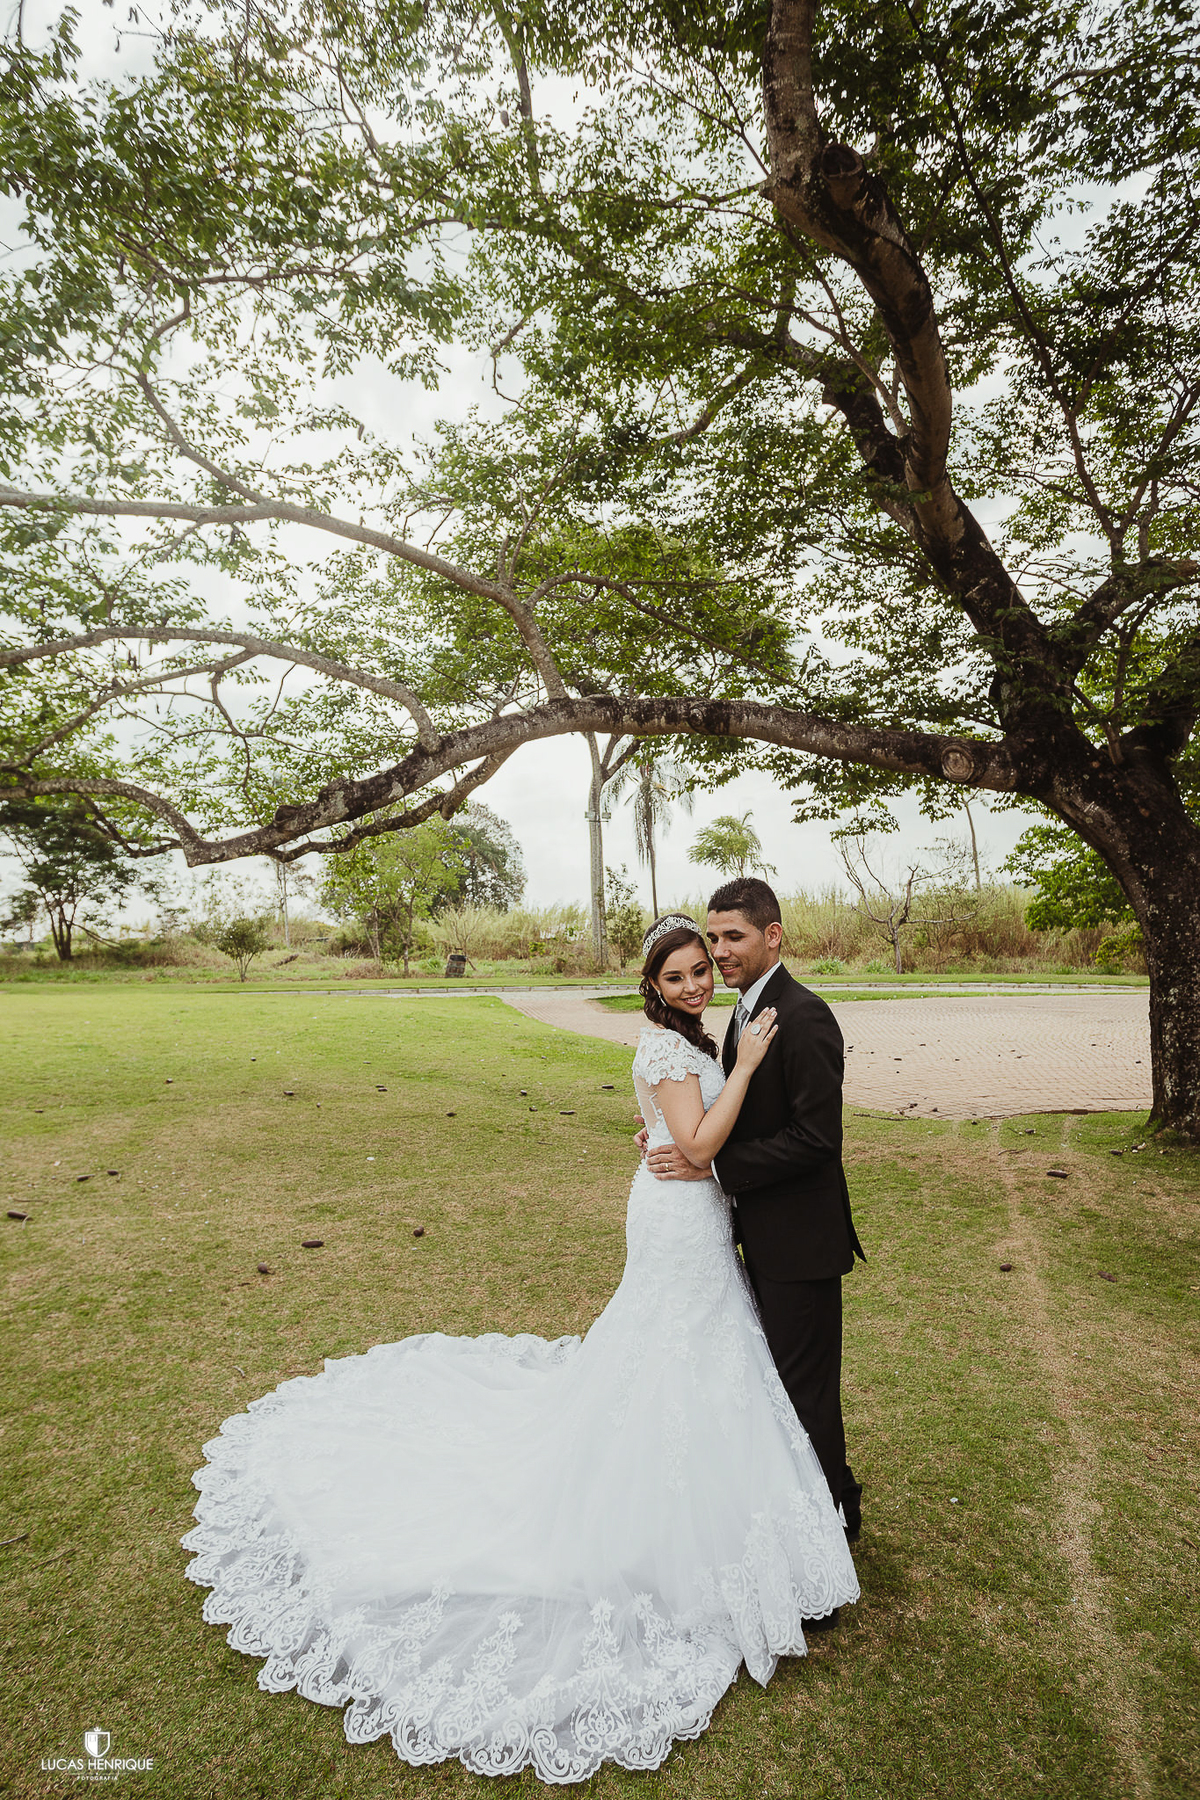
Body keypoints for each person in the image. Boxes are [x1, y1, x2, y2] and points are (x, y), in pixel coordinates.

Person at [181, 914, 859, 1785]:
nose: (697, 983)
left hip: (690, 1216)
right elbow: (693, 1144)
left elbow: (680, 1130)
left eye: (703, 969)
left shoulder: (695, 1035)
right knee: (679, 1351)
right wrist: (728, 1087)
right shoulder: (672, 1045)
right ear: (653, 985)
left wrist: (676, 1123)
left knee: (697, 1354)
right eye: (680, 975)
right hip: (681, 1218)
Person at [643, 879, 866, 1563]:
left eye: (732, 937)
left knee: (803, 1394)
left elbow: (816, 1140)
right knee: (775, 1390)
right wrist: (667, 1135)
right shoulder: (741, 1013)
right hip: (755, 1237)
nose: (720, 952)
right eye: (714, 940)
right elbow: (719, 1111)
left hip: (799, 1243)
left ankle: (831, 1530)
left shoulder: (804, 1017)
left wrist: (710, 1166)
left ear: (774, 935)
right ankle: (821, 1512)